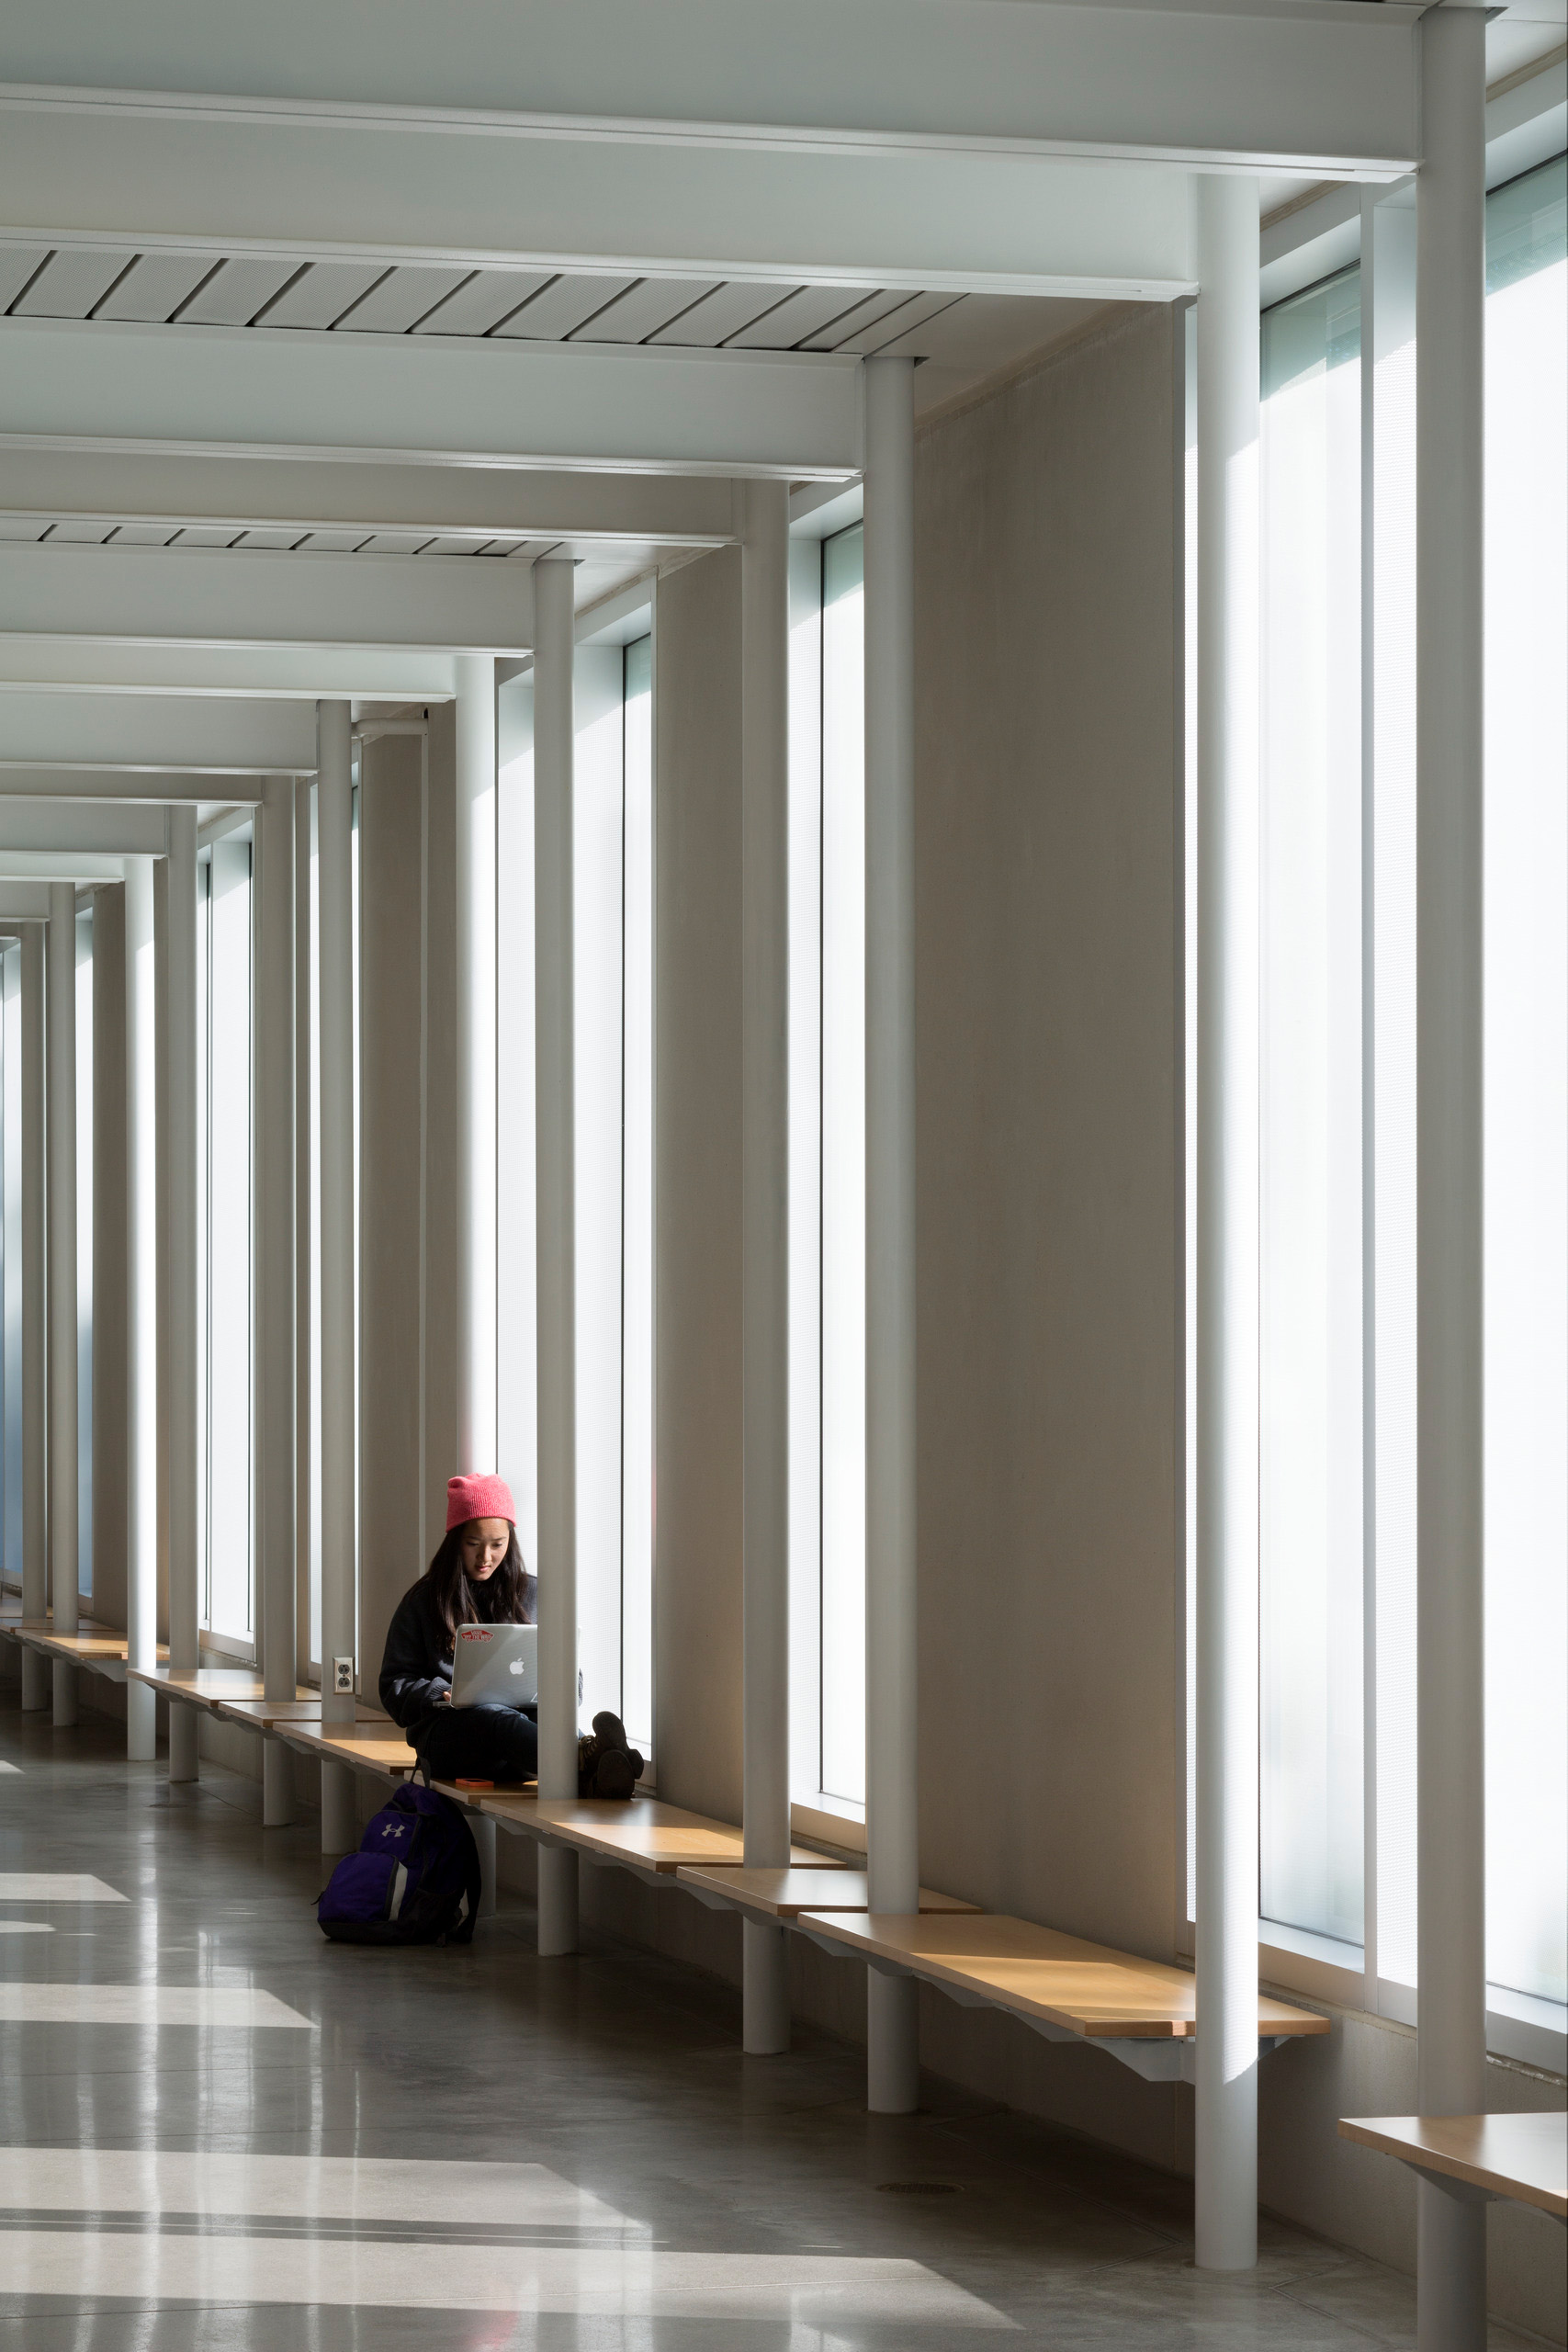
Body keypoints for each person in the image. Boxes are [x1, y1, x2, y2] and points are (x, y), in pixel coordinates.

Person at [378, 1474, 642, 1796]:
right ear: (454, 1540)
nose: (485, 1557)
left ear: (510, 1541)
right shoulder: (423, 1601)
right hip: (450, 1741)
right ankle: (593, 1759)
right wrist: (441, 1692)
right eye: (473, 1544)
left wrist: (554, 1688)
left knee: (541, 1718)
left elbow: (572, 1680)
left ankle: (597, 1768)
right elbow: (394, 1686)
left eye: (497, 1544)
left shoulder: (534, 1593)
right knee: (491, 1715)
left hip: (518, 1749)